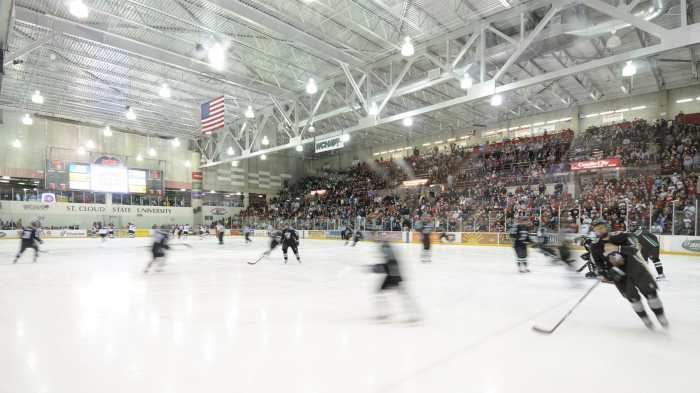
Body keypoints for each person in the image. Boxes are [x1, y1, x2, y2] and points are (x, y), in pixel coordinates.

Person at [588, 221, 668, 329]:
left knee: (651, 293)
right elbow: (599, 266)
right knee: (633, 299)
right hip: (620, 275)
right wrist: (608, 273)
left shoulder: (621, 236)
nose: (599, 231)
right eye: (596, 229)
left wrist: (618, 249)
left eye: (601, 228)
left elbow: (636, 248)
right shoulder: (595, 247)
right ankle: (646, 320)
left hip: (635, 268)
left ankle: (661, 317)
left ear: (607, 227)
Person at [370, 241, 420, 322]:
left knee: (399, 294)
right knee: (402, 294)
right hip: (393, 274)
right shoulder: (386, 247)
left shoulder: (385, 247)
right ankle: (414, 313)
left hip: (393, 275)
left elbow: (391, 263)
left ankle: (413, 314)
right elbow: (390, 262)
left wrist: (376, 268)